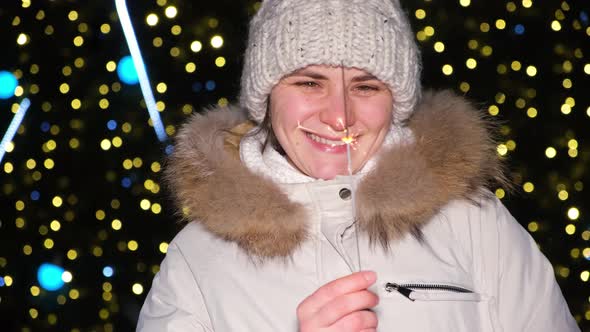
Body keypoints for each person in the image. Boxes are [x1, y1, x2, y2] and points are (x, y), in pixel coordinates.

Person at [137, 0, 579, 331]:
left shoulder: (477, 226)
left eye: (366, 87)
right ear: (267, 96)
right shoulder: (196, 260)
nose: (340, 116)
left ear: (396, 102)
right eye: (310, 82)